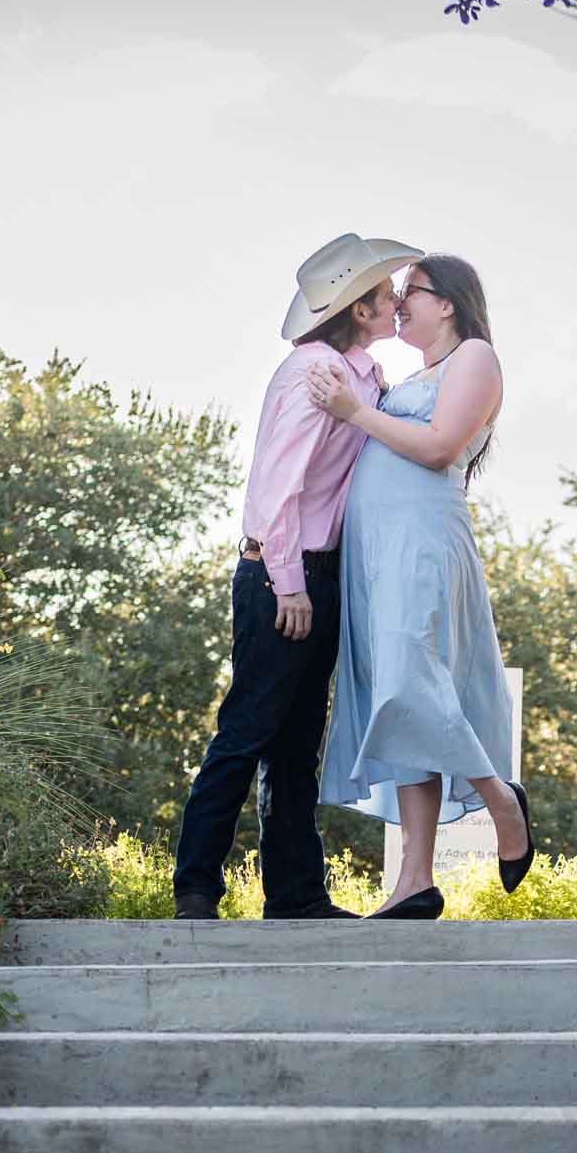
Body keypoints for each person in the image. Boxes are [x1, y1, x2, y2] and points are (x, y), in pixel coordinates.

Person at [172, 232, 422, 921]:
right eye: (383, 294)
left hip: (323, 572)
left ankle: (295, 893)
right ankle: (195, 886)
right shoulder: (314, 371)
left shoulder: (363, 376)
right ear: (358, 310)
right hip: (282, 572)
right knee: (248, 729)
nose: (395, 299)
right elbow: (274, 489)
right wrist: (289, 584)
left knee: (297, 742)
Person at [304, 254, 534, 920]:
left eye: (414, 291)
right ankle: (413, 880)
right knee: (395, 699)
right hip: (378, 551)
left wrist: (354, 411)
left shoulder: (476, 357)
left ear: (450, 303)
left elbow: (437, 448)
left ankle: (500, 801)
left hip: (423, 544)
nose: (400, 302)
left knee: (411, 681)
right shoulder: (413, 374)